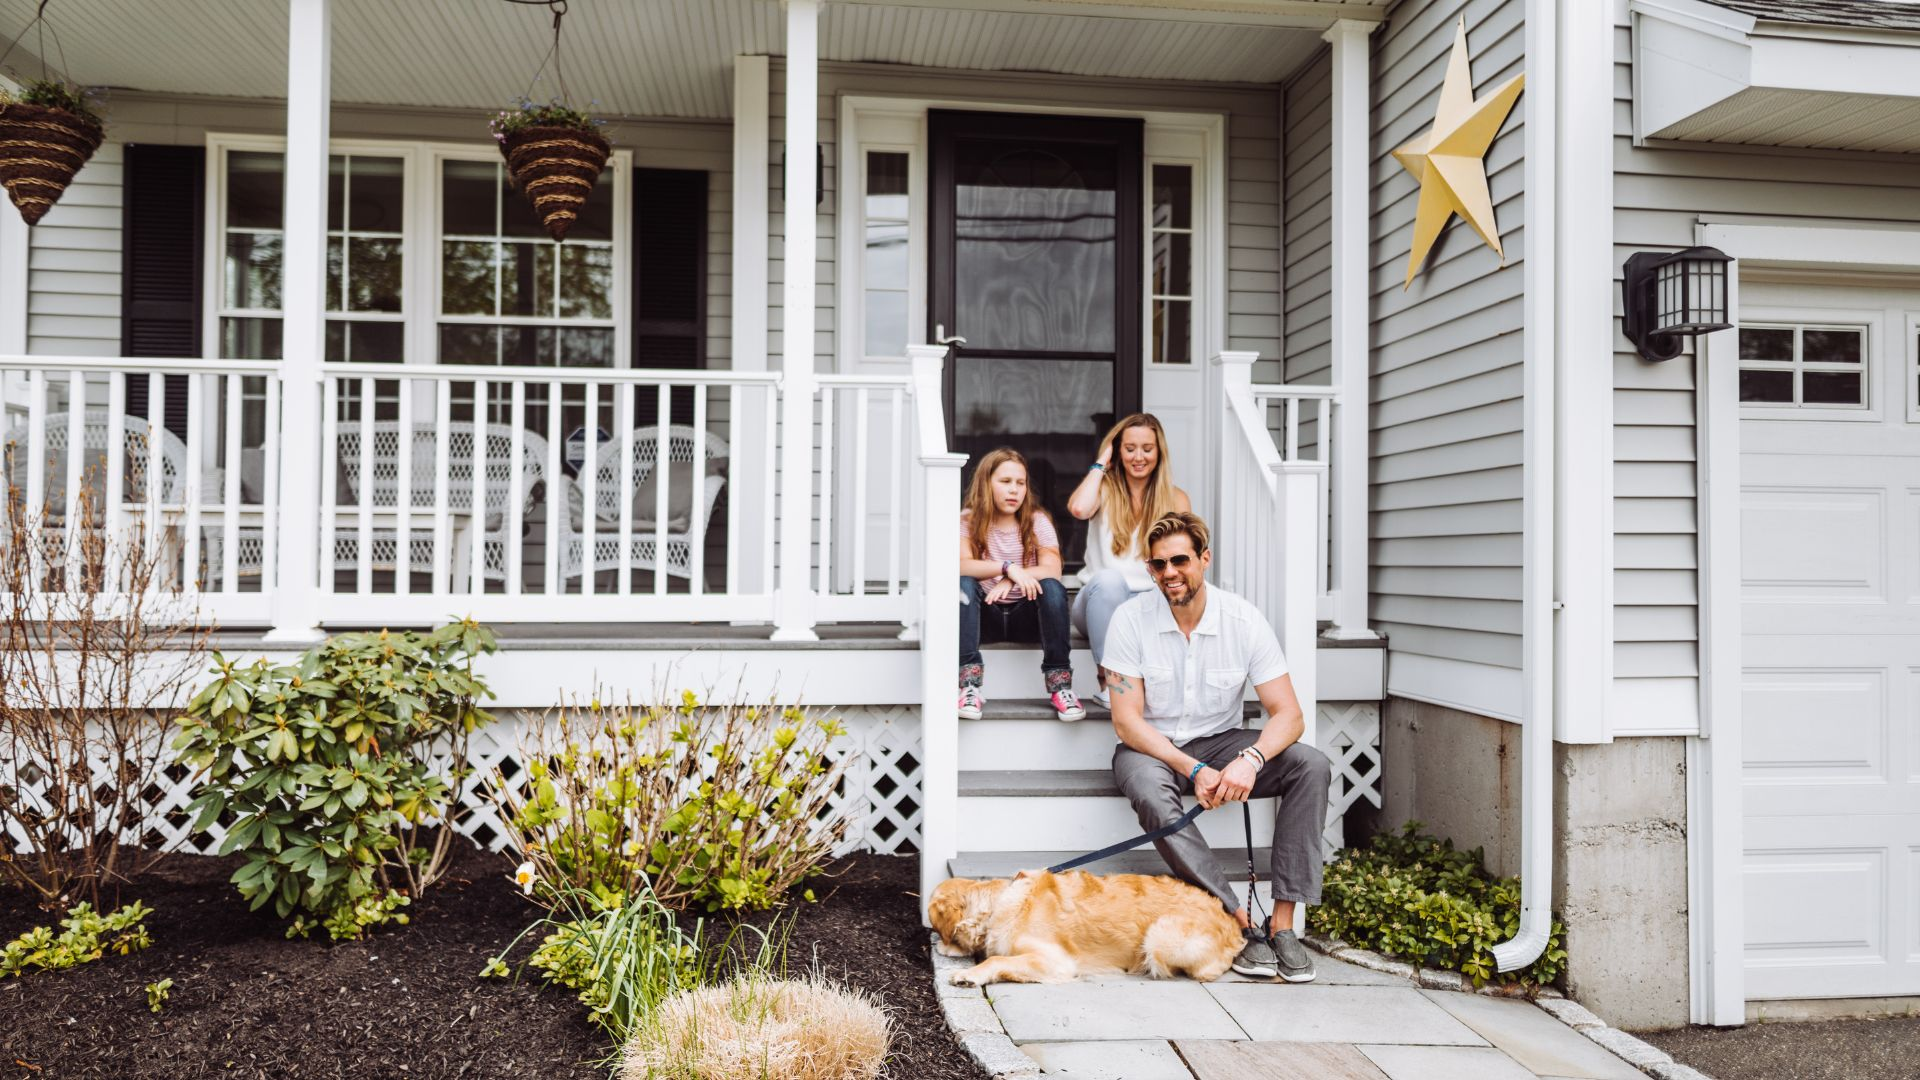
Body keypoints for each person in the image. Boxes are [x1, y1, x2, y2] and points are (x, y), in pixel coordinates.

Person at [1102, 511, 1333, 982]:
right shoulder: (1129, 619)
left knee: (1310, 764)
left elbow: (1289, 714)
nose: (1169, 573)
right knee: (1149, 791)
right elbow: (1127, 722)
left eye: (1180, 560)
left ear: (1204, 559)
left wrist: (1250, 759)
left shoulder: (1243, 620)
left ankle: (1284, 925)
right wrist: (1193, 769)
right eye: (1158, 564)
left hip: (1224, 742)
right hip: (1152, 747)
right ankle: (1238, 919)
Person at [1066, 414, 1190, 708]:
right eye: (1129, 448)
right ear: (1117, 451)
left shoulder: (1176, 499)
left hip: (1148, 603)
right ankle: (1110, 683)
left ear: (1159, 452)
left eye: (1147, 448)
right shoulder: (1104, 490)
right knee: (1109, 581)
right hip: (1098, 603)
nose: (1138, 457)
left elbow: (1184, 559)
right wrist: (1101, 463)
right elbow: (1079, 509)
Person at [958, 448, 1085, 724]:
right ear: (985, 483)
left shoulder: (1037, 521)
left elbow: (1053, 569)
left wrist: (1010, 578)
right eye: (1005, 482)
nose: (1014, 490)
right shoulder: (967, 520)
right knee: (963, 584)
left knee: (1051, 587)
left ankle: (1060, 685)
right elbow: (961, 565)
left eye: (1020, 482)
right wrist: (1008, 567)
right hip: (984, 619)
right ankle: (968, 685)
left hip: (1027, 619)